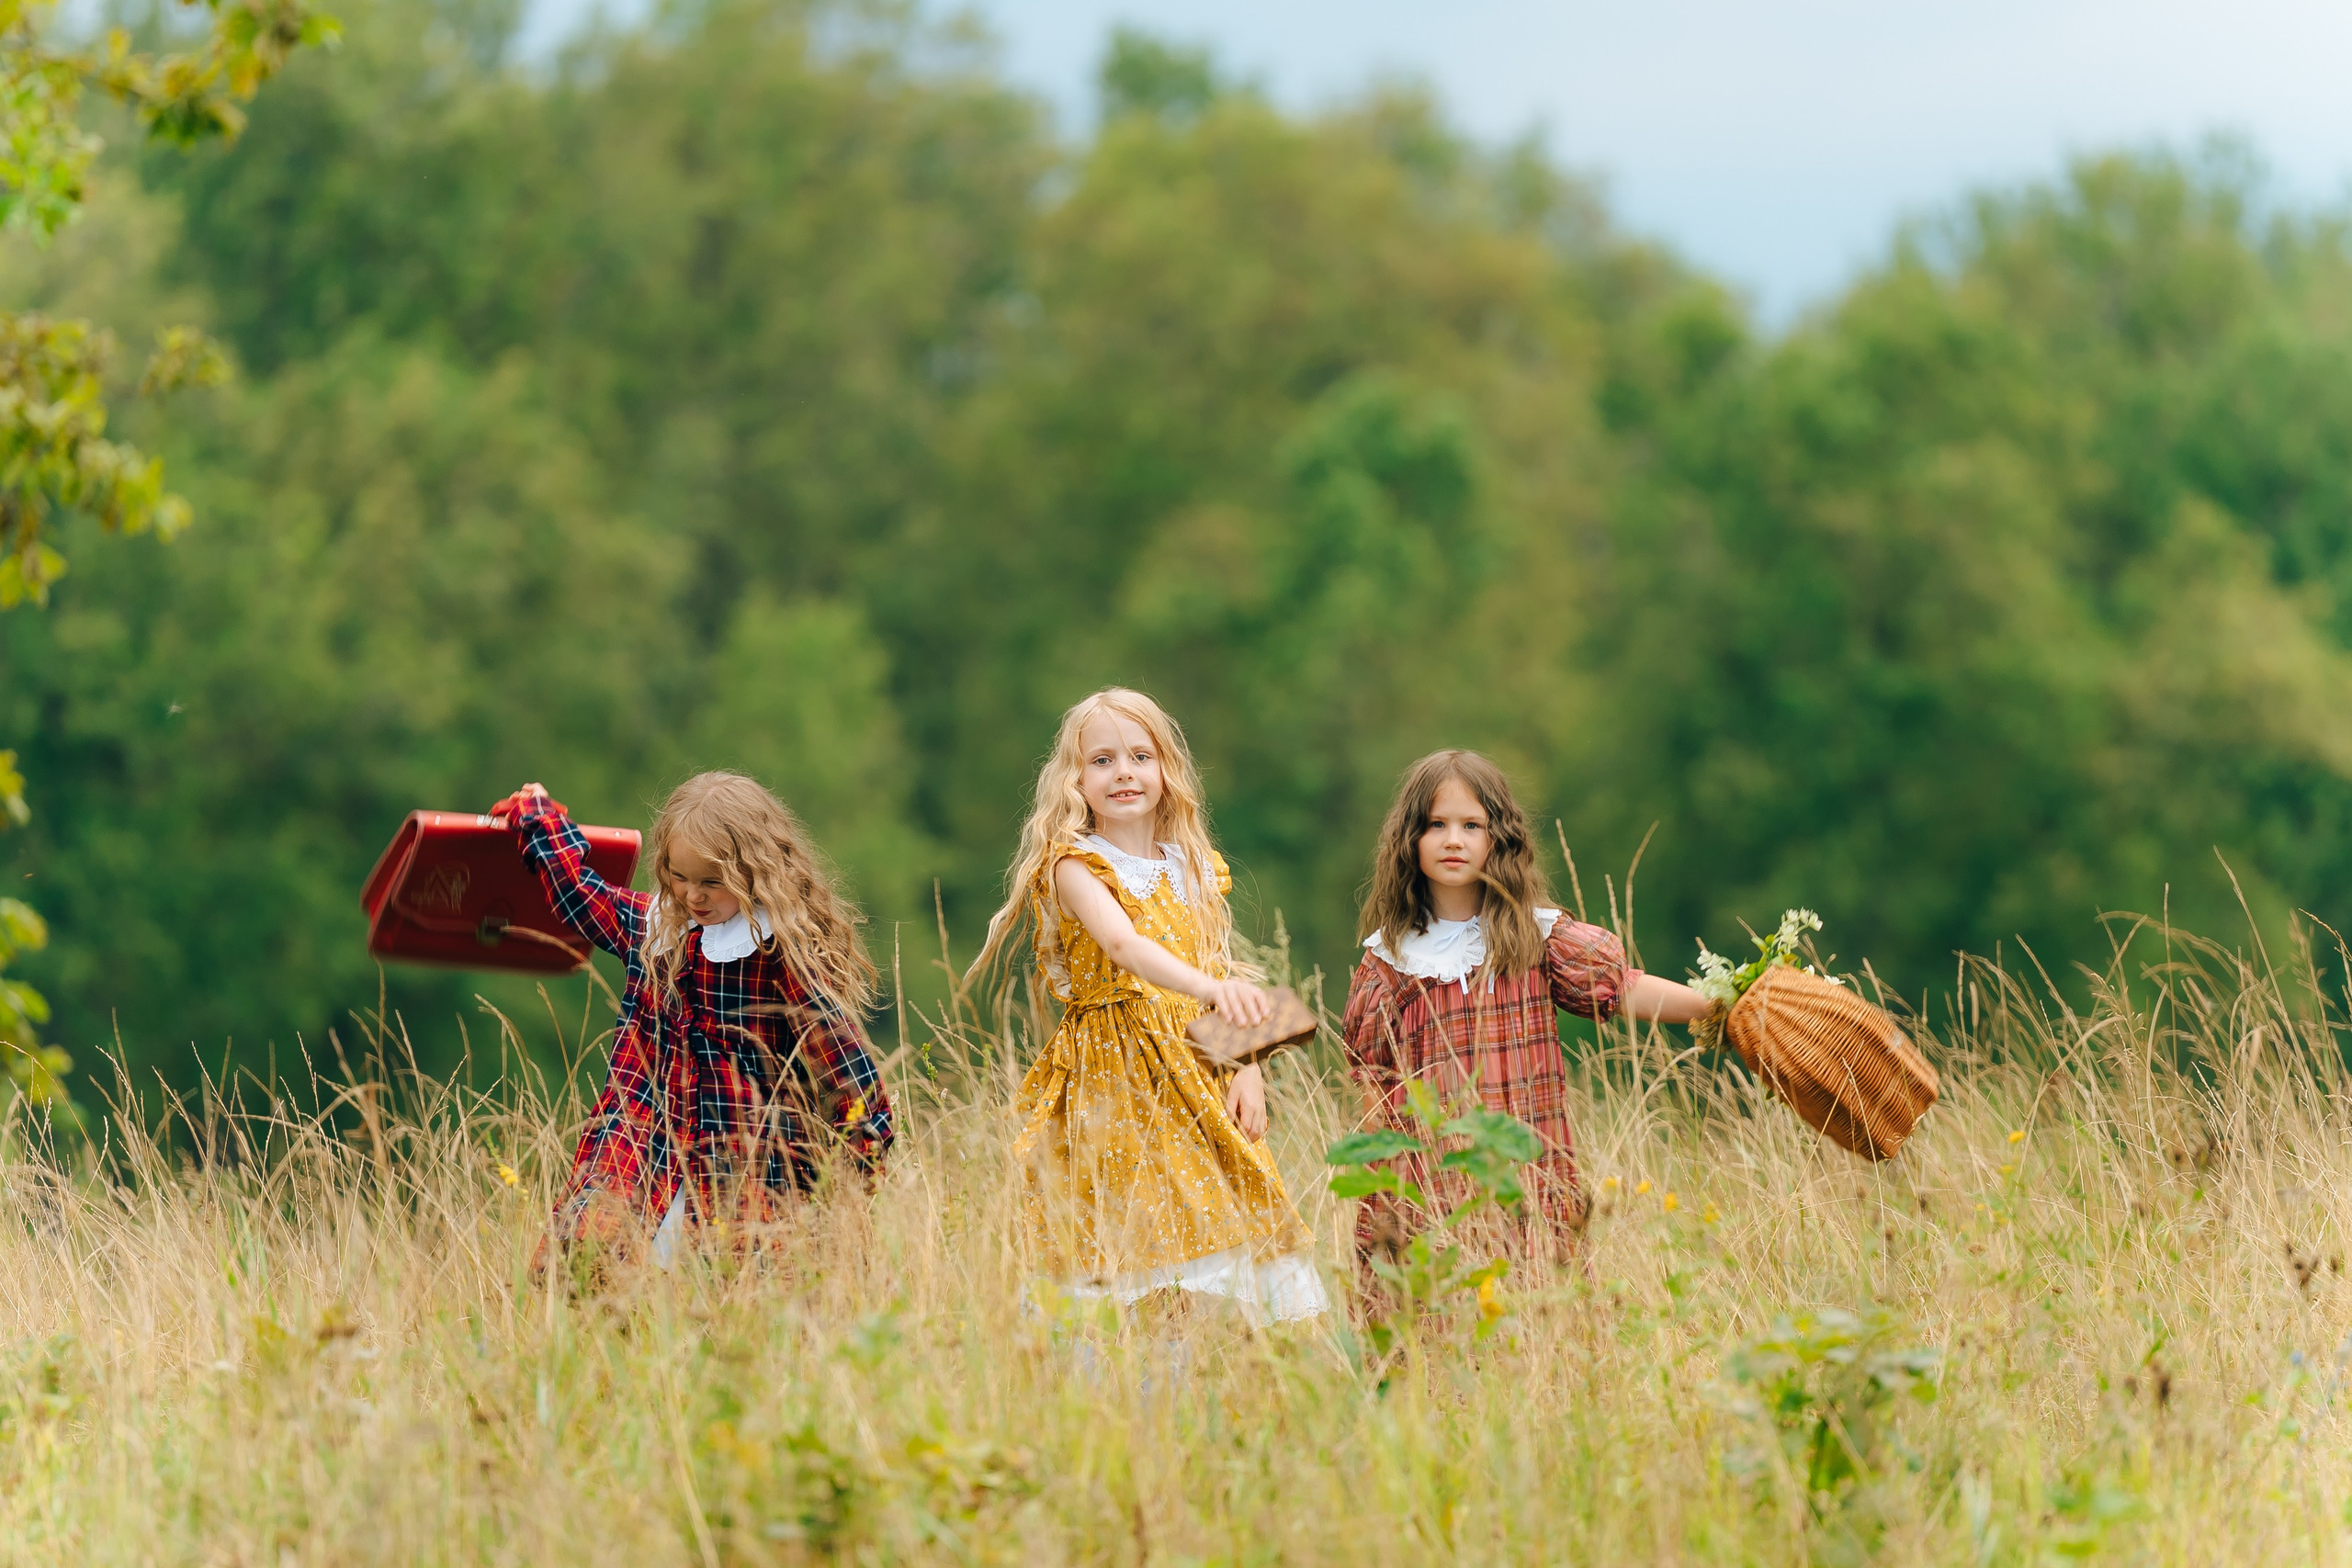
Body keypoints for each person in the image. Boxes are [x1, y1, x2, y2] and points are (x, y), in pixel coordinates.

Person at [969, 688, 1329, 1326]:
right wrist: (1208, 991)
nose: (1124, 772)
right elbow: (1122, 943)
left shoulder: (1191, 866)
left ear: (1167, 771)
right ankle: (1123, 1382)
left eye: (1140, 755)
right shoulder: (1074, 865)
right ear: (1074, 779)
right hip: (1114, 1074)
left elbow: (1219, 965)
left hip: (1196, 1069)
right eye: (1102, 759)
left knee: (1220, 1208)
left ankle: (1196, 1370)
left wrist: (1247, 1065)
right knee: (1121, 1226)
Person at [499, 773, 893, 1270]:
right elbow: (580, 894)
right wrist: (540, 818)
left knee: (729, 1303)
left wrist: (847, 1197)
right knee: (590, 1267)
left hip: (740, 1167)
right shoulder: (655, 930)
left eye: (711, 881)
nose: (693, 896)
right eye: (679, 878)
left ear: (756, 872)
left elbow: (853, 1087)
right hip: (642, 1145)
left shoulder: (780, 959)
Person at [1340, 750, 1711, 1274]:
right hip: (1432, 1181)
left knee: (1528, 1307)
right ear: (1410, 840)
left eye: (1472, 825)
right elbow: (1372, 1086)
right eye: (1435, 825)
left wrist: (1716, 1007)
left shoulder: (1535, 937)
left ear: (1499, 839)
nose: (1453, 840)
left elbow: (1622, 989)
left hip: (1527, 1172)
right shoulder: (1391, 960)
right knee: (1439, 1319)